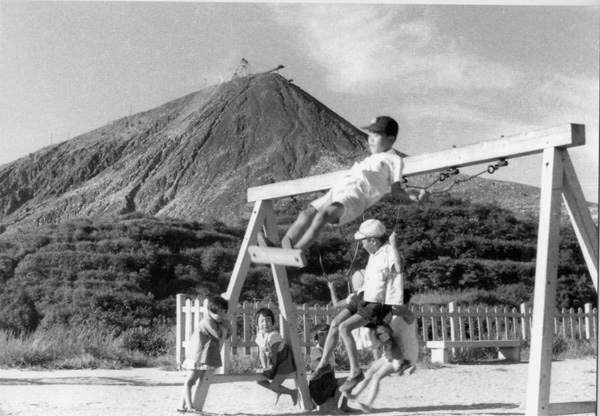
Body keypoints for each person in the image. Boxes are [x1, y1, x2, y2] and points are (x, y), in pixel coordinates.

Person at [257, 116, 428, 252]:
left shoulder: (395, 160)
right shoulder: (372, 157)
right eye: (370, 135)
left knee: (323, 215)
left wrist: (414, 195)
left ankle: (296, 251)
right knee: (306, 212)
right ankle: (281, 247)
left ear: (390, 140)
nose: (371, 140)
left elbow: (396, 191)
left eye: (376, 136)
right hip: (342, 188)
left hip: (356, 196)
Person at [309, 219, 404, 393]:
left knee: (345, 327)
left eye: (363, 241)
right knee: (336, 323)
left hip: (376, 303)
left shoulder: (389, 250)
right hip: (363, 297)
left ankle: (355, 371)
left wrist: (394, 245)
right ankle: (323, 364)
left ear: (373, 240)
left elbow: (398, 268)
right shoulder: (373, 254)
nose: (361, 245)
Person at [345, 289, 419, 413]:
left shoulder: (409, 315)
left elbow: (398, 312)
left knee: (377, 376)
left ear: (406, 304)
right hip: (393, 352)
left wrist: (384, 304)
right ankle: (355, 394)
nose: (395, 304)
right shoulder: (392, 316)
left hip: (405, 354)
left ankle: (368, 404)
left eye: (398, 302)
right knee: (370, 372)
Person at [178, 295, 232, 413]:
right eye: (220, 313)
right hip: (197, 356)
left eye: (224, 312)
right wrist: (225, 328)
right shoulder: (206, 321)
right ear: (212, 310)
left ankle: (181, 406)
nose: (222, 316)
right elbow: (218, 336)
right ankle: (190, 407)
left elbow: (226, 336)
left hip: (204, 357)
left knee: (192, 381)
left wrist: (228, 328)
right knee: (189, 381)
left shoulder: (216, 322)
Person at [327, 269, 380, 363]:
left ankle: (367, 363)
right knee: (373, 343)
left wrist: (332, 289)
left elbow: (336, 304)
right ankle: (377, 362)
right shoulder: (356, 296)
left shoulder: (353, 296)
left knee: (372, 342)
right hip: (363, 320)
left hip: (358, 322)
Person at [254, 307, 299, 406]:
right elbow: (262, 353)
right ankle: (278, 390)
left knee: (274, 385)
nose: (265, 323)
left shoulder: (273, 336)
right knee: (259, 381)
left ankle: (293, 392)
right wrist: (264, 367)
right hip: (274, 363)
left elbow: (273, 355)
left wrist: (270, 369)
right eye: (262, 321)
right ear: (257, 323)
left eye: (268, 320)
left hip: (283, 363)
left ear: (273, 322)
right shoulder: (260, 335)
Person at [307, 323, 355, 412]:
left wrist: (341, 360)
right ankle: (335, 408)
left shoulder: (330, 350)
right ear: (316, 337)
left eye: (328, 334)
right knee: (347, 381)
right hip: (319, 386)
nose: (325, 337)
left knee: (352, 380)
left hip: (328, 382)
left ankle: (344, 405)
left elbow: (337, 364)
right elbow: (325, 366)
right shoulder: (316, 350)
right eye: (321, 334)